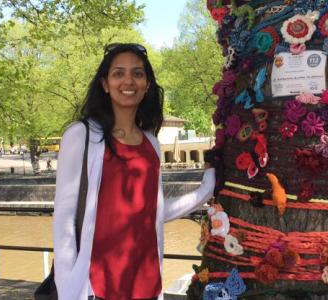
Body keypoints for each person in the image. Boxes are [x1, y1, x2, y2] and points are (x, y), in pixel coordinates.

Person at [52, 43, 216, 300]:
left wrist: (207, 187)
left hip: (146, 282)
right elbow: (64, 220)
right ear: (105, 84)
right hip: (100, 286)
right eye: (118, 73)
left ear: (147, 84)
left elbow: (155, 211)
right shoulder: (82, 136)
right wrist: (68, 292)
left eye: (137, 73)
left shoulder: (150, 143)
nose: (128, 80)